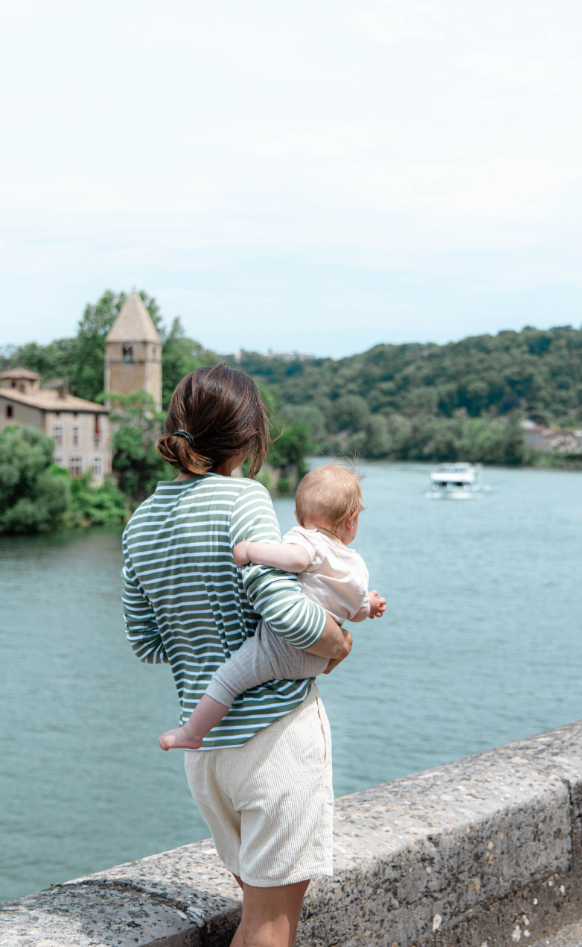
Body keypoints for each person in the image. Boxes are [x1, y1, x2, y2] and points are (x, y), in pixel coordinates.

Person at [121, 365, 352, 947]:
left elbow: (146, 642)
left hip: (208, 756)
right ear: (250, 438)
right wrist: (337, 643)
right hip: (271, 740)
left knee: (255, 920)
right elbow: (287, 615)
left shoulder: (140, 521)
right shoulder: (244, 499)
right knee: (272, 928)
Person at [158, 463, 386, 752]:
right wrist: (371, 603)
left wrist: (250, 550)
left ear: (297, 516)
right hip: (317, 660)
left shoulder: (305, 537)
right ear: (352, 521)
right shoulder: (356, 566)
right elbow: (357, 613)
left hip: (281, 647)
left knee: (227, 680)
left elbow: (295, 560)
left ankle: (191, 732)